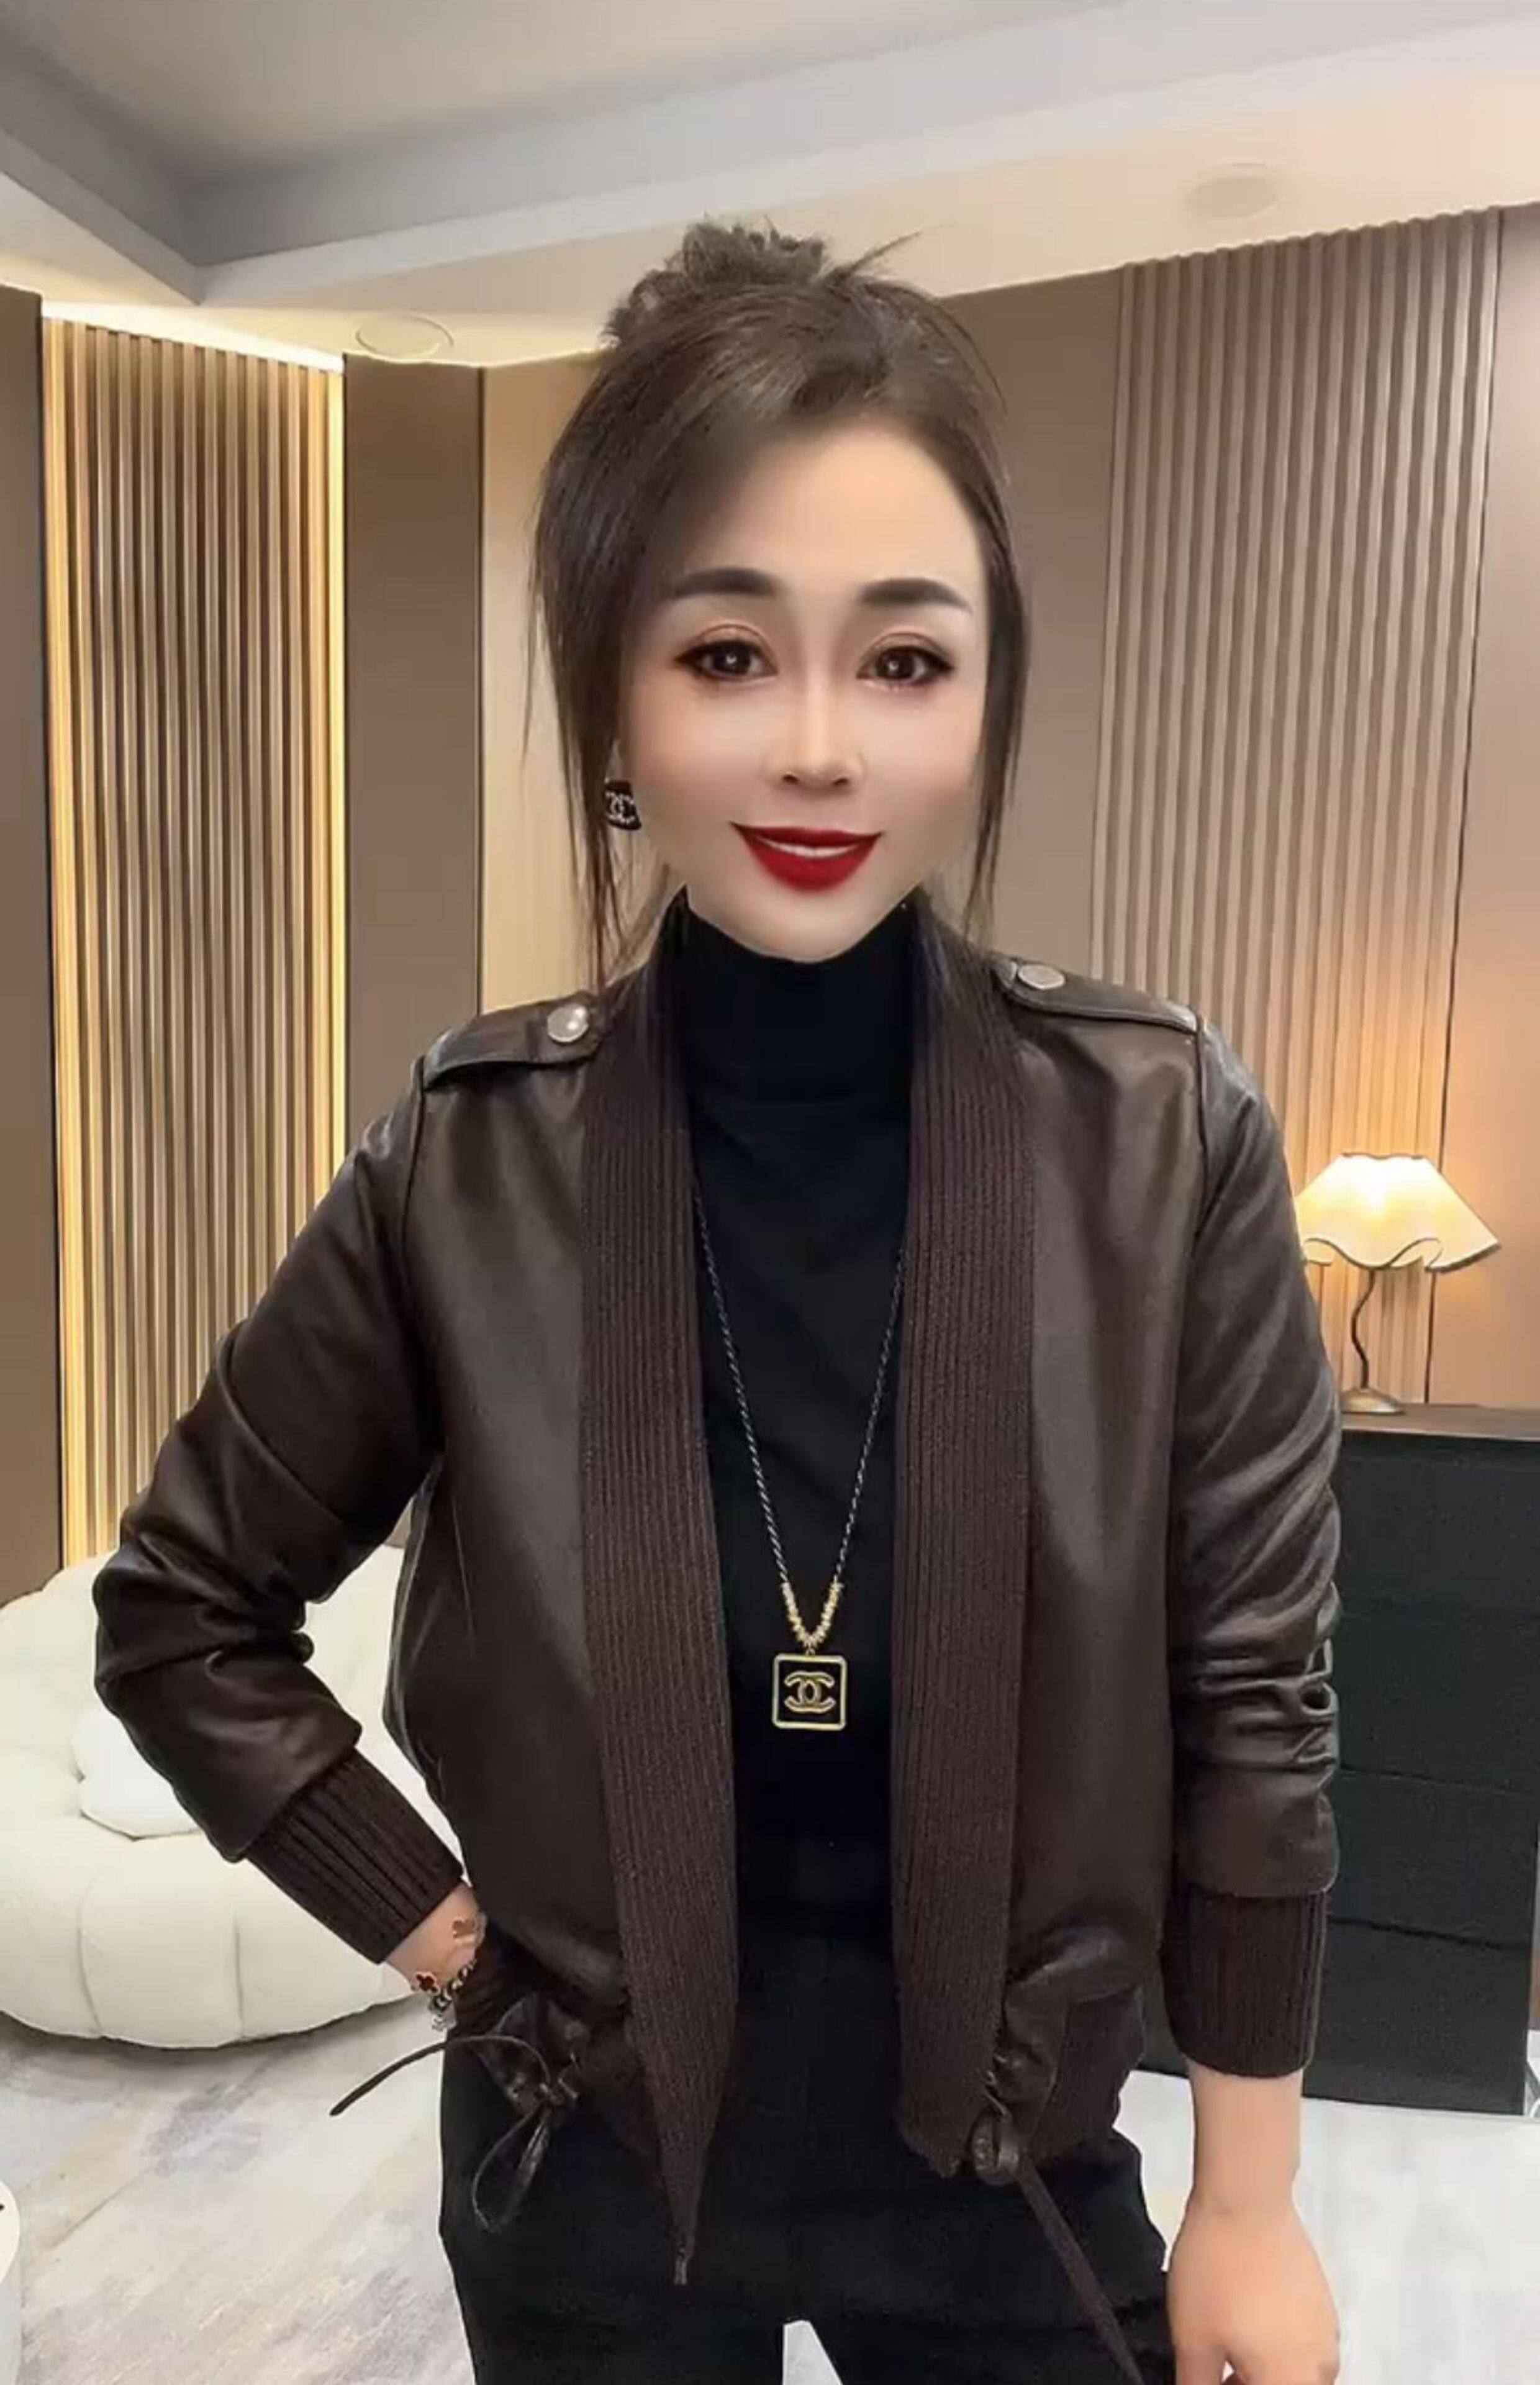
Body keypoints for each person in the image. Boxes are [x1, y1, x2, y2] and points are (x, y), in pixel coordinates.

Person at [93, 217, 1344, 2384]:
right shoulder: (470, 1158)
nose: (821, 751)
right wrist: (444, 1933)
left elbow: (1256, 1706)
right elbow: (183, 1612)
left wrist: (1248, 2199)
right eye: (731, 653)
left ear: (989, 697)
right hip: (585, 2176)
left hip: (1007, 2167)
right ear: (614, 696)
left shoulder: (1160, 1136)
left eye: (907, 660)